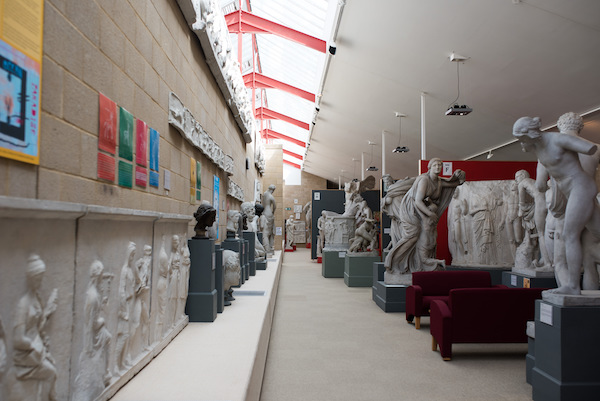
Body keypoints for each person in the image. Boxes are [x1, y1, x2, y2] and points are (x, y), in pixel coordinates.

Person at [513, 116, 600, 294]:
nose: (521, 145)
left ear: (530, 134)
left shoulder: (558, 140)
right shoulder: (539, 150)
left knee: (569, 235)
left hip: (581, 188)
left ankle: (573, 286)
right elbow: (540, 185)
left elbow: (589, 148)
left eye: (522, 139)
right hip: (571, 193)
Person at [384, 158, 465, 275]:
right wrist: (430, 213)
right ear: (430, 167)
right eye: (435, 165)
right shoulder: (424, 180)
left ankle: (419, 264)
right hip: (411, 209)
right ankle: (393, 262)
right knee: (413, 234)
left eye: (440, 165)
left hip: (422, 210)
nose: (438, 167)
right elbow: (417, 201)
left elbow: (455, 183)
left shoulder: (438, 181)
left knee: (426, 234)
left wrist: (460, 175)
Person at [12, 254, 58, 401]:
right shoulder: (23, 304)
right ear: (31, 278)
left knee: (52, 366)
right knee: (51, 372)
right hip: (26, 352)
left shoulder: (37, 298)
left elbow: (38, 327)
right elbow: (18, 338)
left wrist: (48, 312)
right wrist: (35, 346)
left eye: (41, 277)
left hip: (37, 348)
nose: (40, 281)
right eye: (38, 278)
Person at [262, 185, 277, 253]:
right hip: (269, 213)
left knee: (265, 231)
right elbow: (275, 206)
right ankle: (269, 248)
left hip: (264, 212)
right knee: (270, 232)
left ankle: (266, 248)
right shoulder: (271, 196)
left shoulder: (264, 194)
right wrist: (273, 212)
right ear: (273, 190)